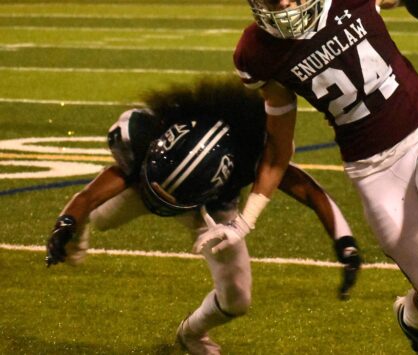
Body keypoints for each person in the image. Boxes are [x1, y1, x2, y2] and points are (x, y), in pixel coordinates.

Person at [193, 0, 418, 354]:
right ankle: (412, 320)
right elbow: (277, 150)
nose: (284, 4)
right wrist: (244, 222)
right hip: (372, 170)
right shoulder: (256, 52)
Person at [45, 77, 361, 355]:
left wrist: (344, 242)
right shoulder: (148, 135)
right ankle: (81, 230)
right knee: (99, 216)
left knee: (237, 299)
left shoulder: (246, 157)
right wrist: (68, 221)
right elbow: (89, 195)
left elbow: (309, 190)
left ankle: (191, 333)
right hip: (150, 184)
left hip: (212, 212)